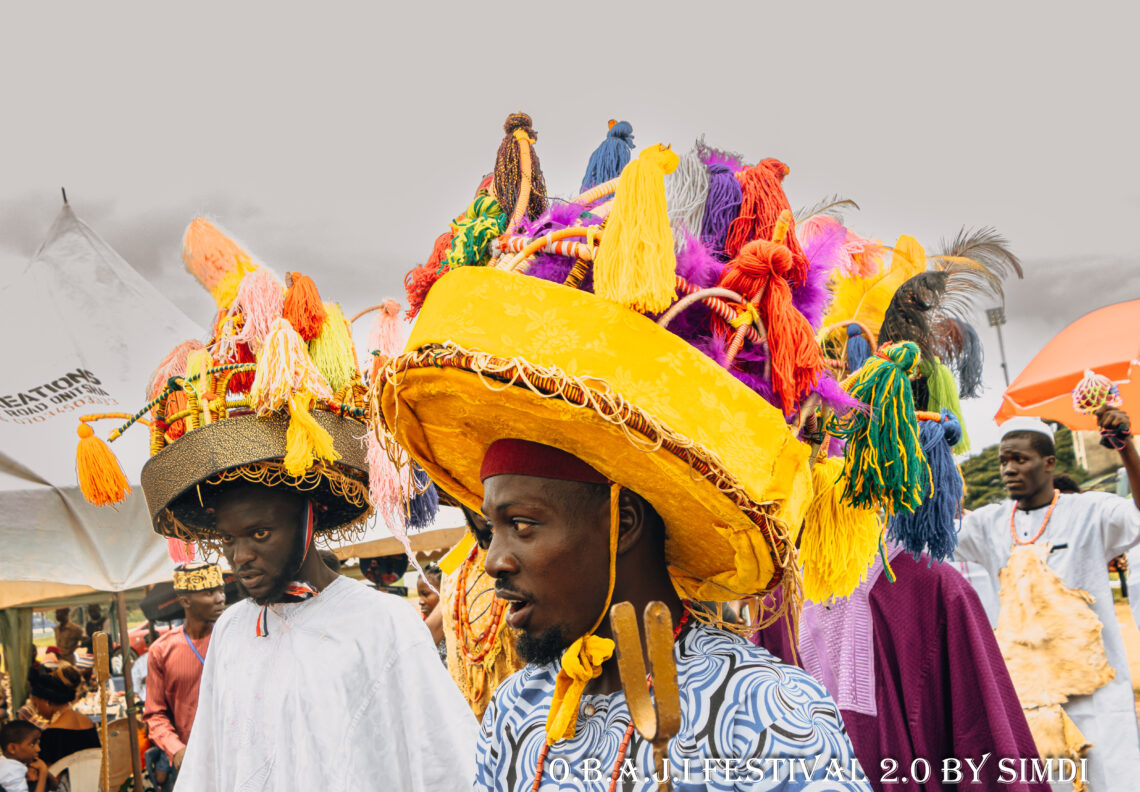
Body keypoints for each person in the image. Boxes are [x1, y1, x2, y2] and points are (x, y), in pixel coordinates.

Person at [374, 129, 871, 789]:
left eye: (522, 524)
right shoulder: (517, 714)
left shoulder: (767, 710)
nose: (494, 558)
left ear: (624, 520)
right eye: (491, 528)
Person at [82, 220, 477, 790]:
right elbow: (212, 769)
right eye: (229, 539)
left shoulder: (384, 624)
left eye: (259, 534)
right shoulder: (235, 633)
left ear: (308, 516)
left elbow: (442, 765)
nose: (239, 557)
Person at [955, 413, 1140, 790]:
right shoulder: (990, 523)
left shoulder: (1091, 511)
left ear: (1049, 463)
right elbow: (934, 527)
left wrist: (1126, 447)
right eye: (1004, 460)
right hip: (1031, 701)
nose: (1009, 469)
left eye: (1020, 459)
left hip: (1097, 696)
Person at [142, 563, 225, 791]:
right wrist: (176, 749)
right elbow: (154, 714)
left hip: (232, 756)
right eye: (209, 592)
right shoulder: (162, 650)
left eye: (221, 590)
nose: (220, 598)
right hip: (190, 762)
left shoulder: (234, 639)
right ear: (185, 601)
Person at [21, 662, 99, 767]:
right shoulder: (88, 722)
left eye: (36, 706)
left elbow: (50, 772)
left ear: (47, 702)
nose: (37, 711)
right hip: (93, 780)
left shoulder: (51, 733)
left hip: (67, 783)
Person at [0, 720, 50, 792]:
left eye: (38, 743)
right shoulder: (13, 770)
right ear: (12, 748)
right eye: (32, 744)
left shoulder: (4, 760)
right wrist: (43, 772)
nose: (38, 749)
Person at [416, 563, 446, 662]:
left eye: (425, 594)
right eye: (419, 595)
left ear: (443, 591)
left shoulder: (454, 626)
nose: (420, 601)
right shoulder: (420, 626)